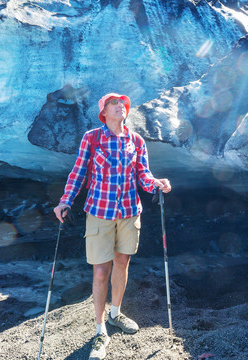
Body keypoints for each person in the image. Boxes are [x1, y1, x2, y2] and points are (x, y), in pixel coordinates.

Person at [53, 93, 171, 360]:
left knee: (122, 264)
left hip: (129, 212)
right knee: (100, 271)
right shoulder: (92, 138)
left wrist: (157, 184)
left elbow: (143, 174)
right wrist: (64, 201)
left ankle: (115, 314)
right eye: (114, 104)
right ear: (103, 112)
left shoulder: (136, 140)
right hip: (99, 213)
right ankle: (99, 331)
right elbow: (78, 173)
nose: (121, 107)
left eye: (123, 104)